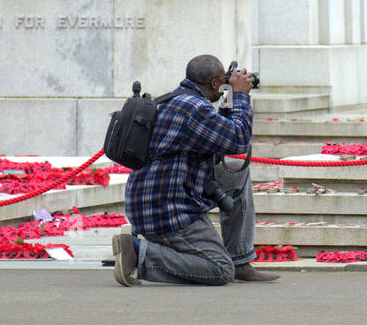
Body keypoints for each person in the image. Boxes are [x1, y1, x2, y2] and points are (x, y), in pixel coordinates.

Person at [113, 54, 279, 286]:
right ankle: (138, 252)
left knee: (236, 172)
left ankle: (240, 260)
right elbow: (238, 139)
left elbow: (219, 134)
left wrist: (230, 96)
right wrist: (240, 95)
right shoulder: (192, 108)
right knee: (220, 270)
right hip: (167, 210)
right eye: (223, 82)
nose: (225, 86)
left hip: (154, 200)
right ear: (214, 84)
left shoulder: (181, 100)